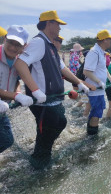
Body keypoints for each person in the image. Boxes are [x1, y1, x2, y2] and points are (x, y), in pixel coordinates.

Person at [14, 10, 89, 169]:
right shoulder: (39, 42)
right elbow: (20, 64)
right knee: (49, 129)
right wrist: (35, 90)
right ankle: (38, 167)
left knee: (58, 123)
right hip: (42, 101)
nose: (60, 28)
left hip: (53, 99)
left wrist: (79, 82)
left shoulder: (51, 45)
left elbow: (63, 69)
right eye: (58, 24)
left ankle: (42, 155)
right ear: (49, 23)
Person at [0, 25, 34, 153]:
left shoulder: (19, 62)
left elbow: (16, 80)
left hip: (3, 108)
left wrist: (18, 92)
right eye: (10, 42)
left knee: (7, 141)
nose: (13, 47)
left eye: (17, 45)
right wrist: (16, 96)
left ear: (24, 46)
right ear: (5, 39)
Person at [83, 29, 111, 134]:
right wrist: (99, 82)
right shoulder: (94, 52)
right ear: (104, 40)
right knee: (96, 112)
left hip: (99, 90)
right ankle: (92, 135)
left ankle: (91, 131)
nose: (110, 41)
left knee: (97, 111)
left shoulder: (101, 52)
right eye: (109, 39)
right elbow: (86, 71)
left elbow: (104, 69)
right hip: (95, 89)